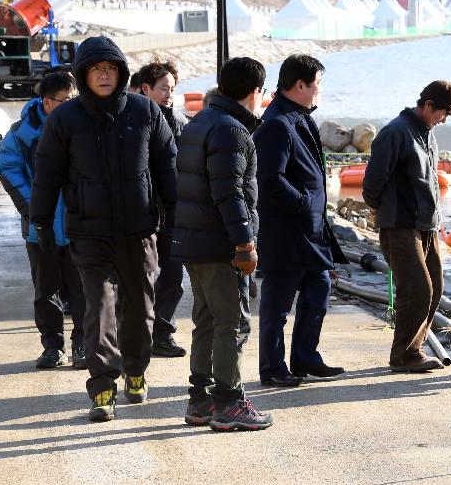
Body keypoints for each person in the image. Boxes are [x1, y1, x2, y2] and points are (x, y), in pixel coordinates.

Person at [29, 36, 177, 421]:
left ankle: (136, 370)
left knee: (142, 311)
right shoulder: (65, 119)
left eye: (110, 68)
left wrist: (175, 220)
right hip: (88, 232)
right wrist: (41, 221)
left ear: (121, 72)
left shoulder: (145, 112)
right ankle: (102, 387)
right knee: (97, 309)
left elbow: (167, 168)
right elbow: (47, 174)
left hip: (139, 230)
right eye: (96, 70)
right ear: (83, 75)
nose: (104, 76)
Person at [173, 56, 272, 431]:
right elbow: (229, 193)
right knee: (232, 323)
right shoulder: (232, 130)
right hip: (220, 245)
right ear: (254, 92)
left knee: (206, 321)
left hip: (194, 242)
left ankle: (200, 400)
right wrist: (244, 242)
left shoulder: (200, 122)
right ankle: (229, 402)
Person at [254, 53, 347, 388]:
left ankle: (305, 357)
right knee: (277, 304)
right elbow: (269, 179)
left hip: (310, 231)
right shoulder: (277, 123)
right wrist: (305, 203)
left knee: (319, 289)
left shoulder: (299, 116)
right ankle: (272, 367)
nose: (320, 90)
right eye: (317, 84)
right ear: (299, 85)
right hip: (286, 231)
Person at [362, 80, 451, 373]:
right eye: (443, 113)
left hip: (426, 224)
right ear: (428, 105)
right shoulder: (396, 132)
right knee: (417, 288)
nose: (444, 120)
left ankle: (413, 349)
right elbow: (373, 183)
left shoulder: (427, 133)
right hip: (400, 224)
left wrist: (437, 220)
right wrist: (382, 211)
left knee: (435, 286)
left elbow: (428, 180)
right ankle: (404, 355)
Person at [0, 71, 86, 370]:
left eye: (75, 98)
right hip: (39, 229)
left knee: (83, 288)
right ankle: (52, 346)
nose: (73, 104)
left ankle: (83, 343)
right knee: (45, 291)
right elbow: (8, 167)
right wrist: (35, 209)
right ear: (47, 103)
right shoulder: (22, 133)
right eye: (66, 100)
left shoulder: (83, 125)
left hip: (79, 227)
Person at [137, 60, 189, 358]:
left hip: (173, 214)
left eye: (172, 88)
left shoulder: (181, 123)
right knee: (138, 277)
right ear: (145, 89)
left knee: (172, 276)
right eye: (163, 88)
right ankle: (134, 331)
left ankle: (162, 332)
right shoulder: (130, 121)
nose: (169, 94)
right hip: (141, 213)